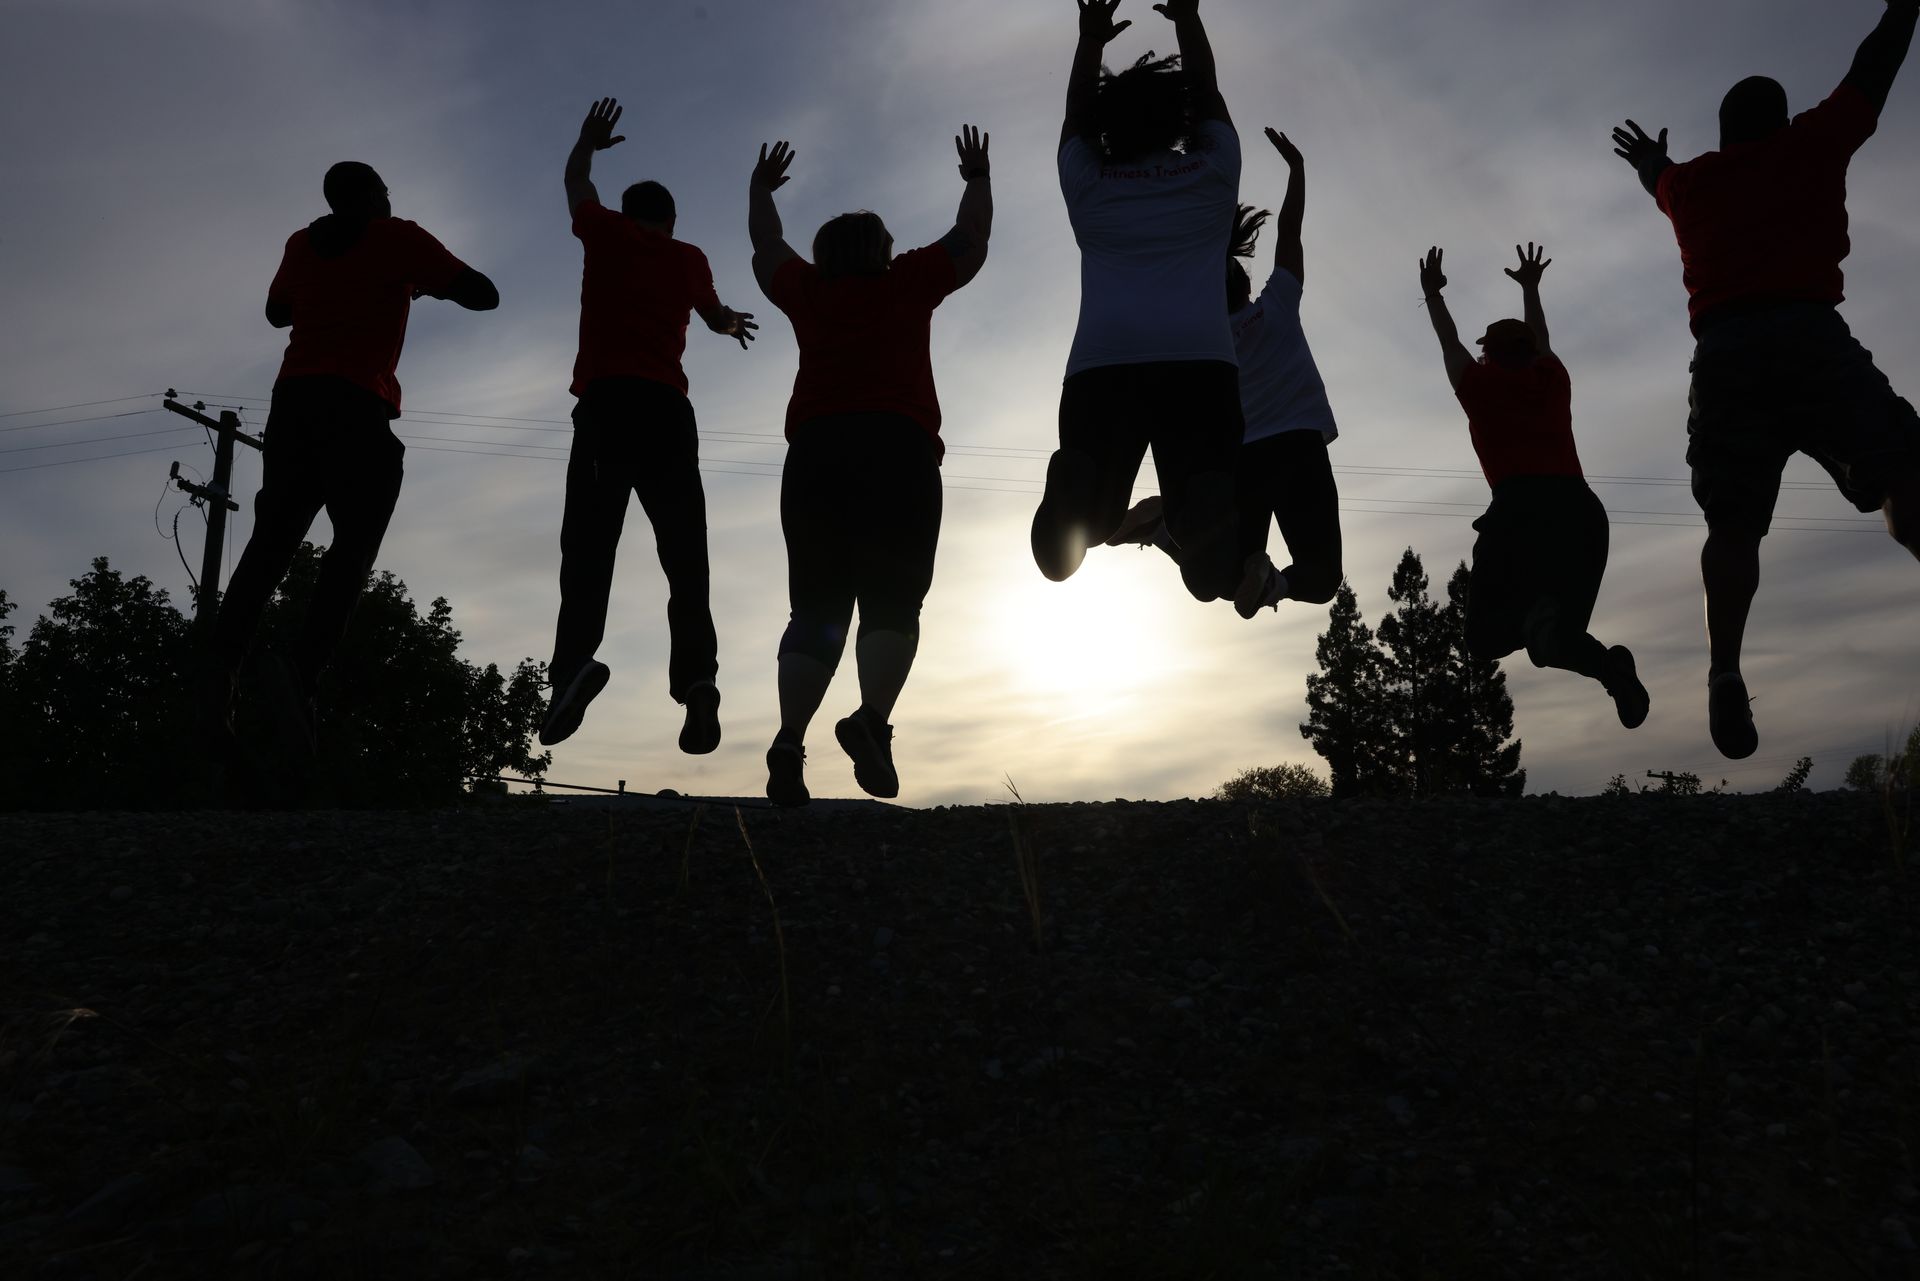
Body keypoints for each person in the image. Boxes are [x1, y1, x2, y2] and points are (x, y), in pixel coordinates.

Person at [1611, 0, 1920, 759]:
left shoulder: (1691, 186)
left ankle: (1723, 669)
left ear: (1722, 135)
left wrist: (1650, 156)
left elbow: (1658, 174)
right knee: (1903, 473)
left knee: (1733, 525)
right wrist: (1903, 8)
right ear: (1781, 123)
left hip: (1727, 354)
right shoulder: (1809, 146)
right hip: (1812, 338)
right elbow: (1871, 73)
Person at [205, 160, 498, 753]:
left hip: (293, 402)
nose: (390, 202)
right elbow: (483, 295)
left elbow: (277, 311)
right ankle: (302, 671)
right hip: (356, 406)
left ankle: (218, 675)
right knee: (354, 546)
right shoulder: (399, 237)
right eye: (385, 193)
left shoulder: (301, 242)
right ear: (370, 196)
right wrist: (420, 279)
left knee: (271, 544)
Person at [746, 126, 992, 807]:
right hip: (900, 450)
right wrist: (977, 175)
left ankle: (789, 741)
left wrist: (760, 190)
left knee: (817, 606)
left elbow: (766, 246)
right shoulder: (908, 281)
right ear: (883, 251)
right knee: (893, 599)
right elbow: (971, 238)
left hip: (818, 452)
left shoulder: (807, 290)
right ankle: (871, 723)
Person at [541, 98, 759, 754]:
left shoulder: (605, 231)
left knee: (589, 549)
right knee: (685, 557)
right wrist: (728, 325)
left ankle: (573, 668)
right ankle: (698, 681)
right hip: (668, 412)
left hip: (609, 406)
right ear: (671, 220)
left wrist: (586, 140)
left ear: (629, 212)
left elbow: (576, 184)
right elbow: (716, 312)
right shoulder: (689, 258)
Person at [1030, 0, 1245, 603]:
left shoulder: (1089, 186)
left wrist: (1089, 41)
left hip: (1104, 368)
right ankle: (1198, 510)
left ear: (1108, 124)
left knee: (1090, 525)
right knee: (1212, 570)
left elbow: (1075, 118)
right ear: (1176, 118)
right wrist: (1188, 19)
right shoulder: (1211, 173)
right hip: (1200, 366)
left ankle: (1080, 486)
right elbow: (1208, 91)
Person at [1107, 126, 1342, 619]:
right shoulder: (1278, 304)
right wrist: (1298, 172)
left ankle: (1170, 533)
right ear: (1245, 283)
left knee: (1215, 580)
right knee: (1320, 579)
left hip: (1243, 462)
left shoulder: (1201, 341)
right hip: (1297, 449)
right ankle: (1271, 582)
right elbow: (1290, 233)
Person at [1417, 244, 1651, 731]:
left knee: (1482, 640)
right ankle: (1606, 668)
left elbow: (1448, 341)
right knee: (1557, 640)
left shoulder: (1478, 387)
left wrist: (1433, 295)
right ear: (1530, 354)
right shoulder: (1553, 378)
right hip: (1581, 513)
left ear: (1487, 353)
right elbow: (1542, 340)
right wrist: (1530, 288)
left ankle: (1534, 620)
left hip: (1520, 510)